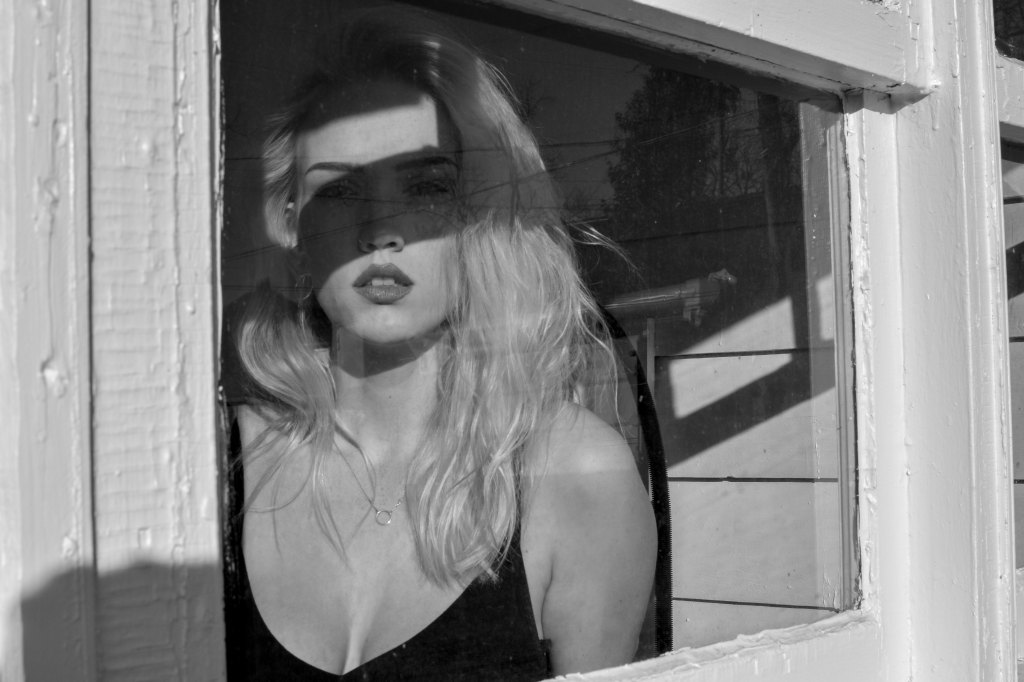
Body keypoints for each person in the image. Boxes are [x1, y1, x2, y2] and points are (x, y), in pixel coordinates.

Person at [224, 10, 657, 680]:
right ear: (291, 227)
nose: (381, 230)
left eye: (426, 186)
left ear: (481, 218)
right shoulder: (224, 466)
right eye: (341, 190)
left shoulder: (574, 478)